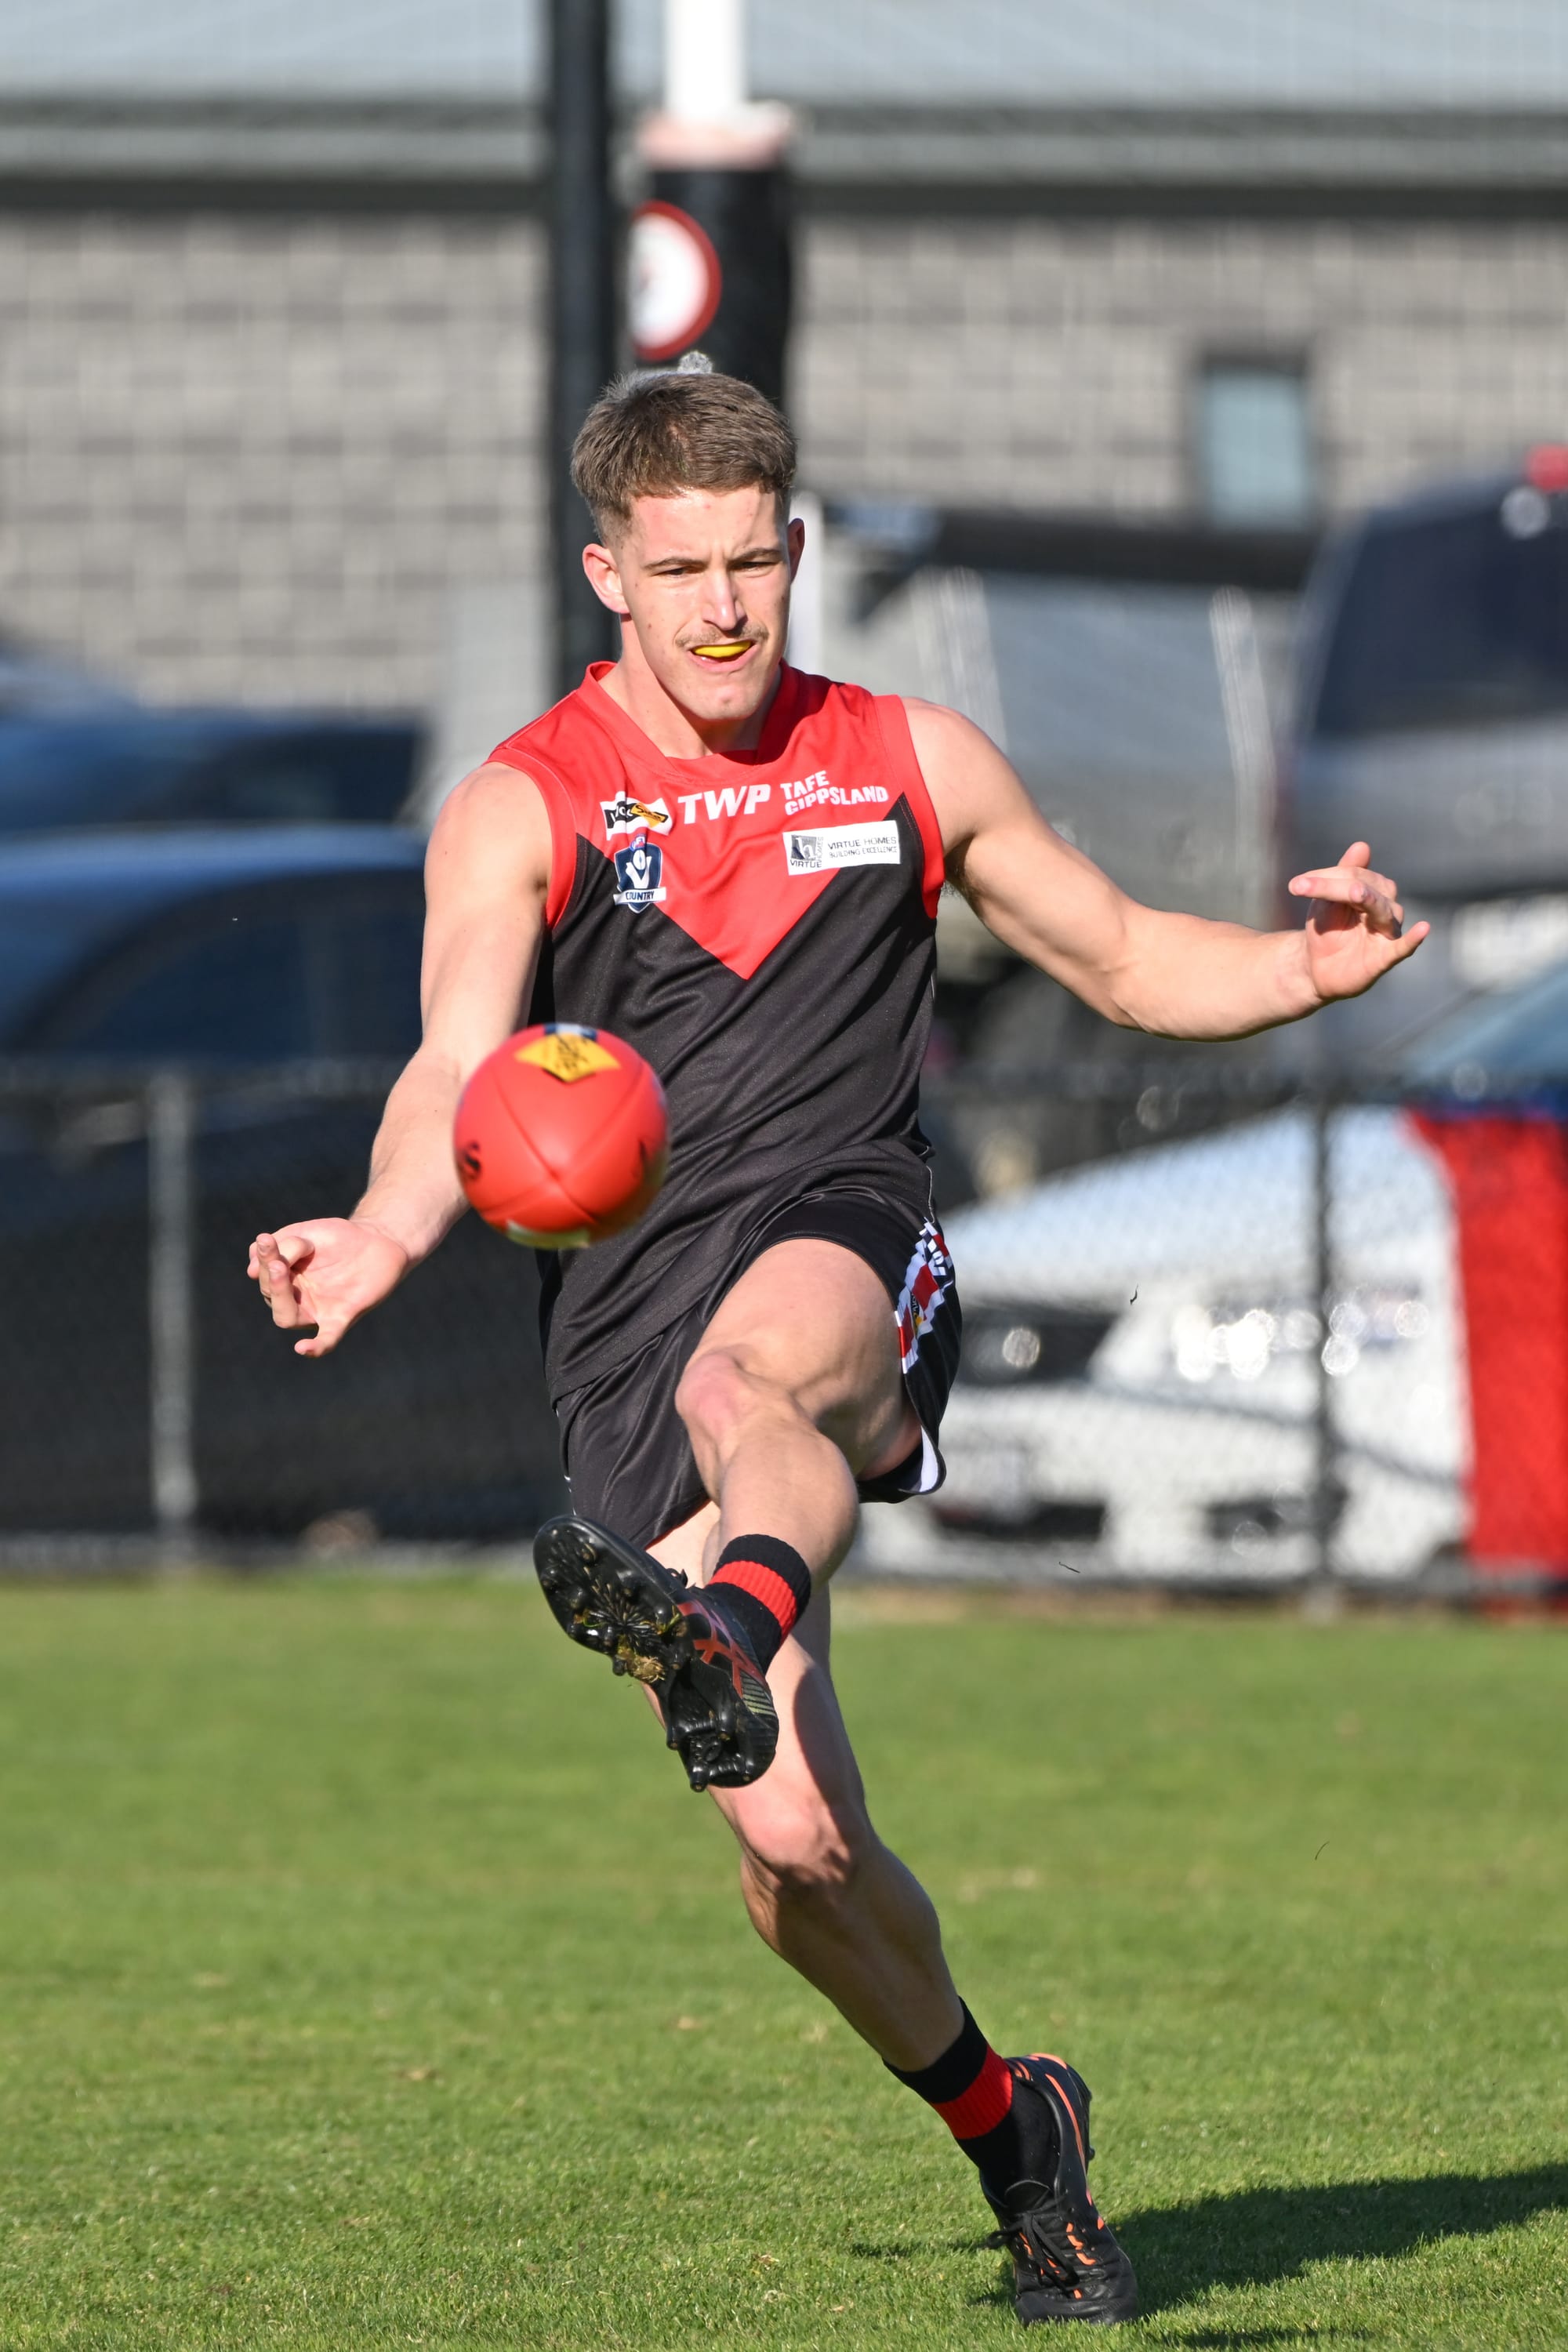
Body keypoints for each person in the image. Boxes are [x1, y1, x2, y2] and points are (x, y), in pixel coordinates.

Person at [248, 362, 1426, 2328]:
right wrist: (382, 1228)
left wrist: (1306, 965)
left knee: (758, 1384)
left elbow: (1127, 958)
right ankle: (1011, 2125)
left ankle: (726, 1615)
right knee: (794, 1848)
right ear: (607, 572)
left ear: (794, 555)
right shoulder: (526, 802)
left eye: (755, 564)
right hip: (620, 1327)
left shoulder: (905, 758)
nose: (723, 607)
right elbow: (453, 1064)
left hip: (844, 1238)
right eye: (681, 568)